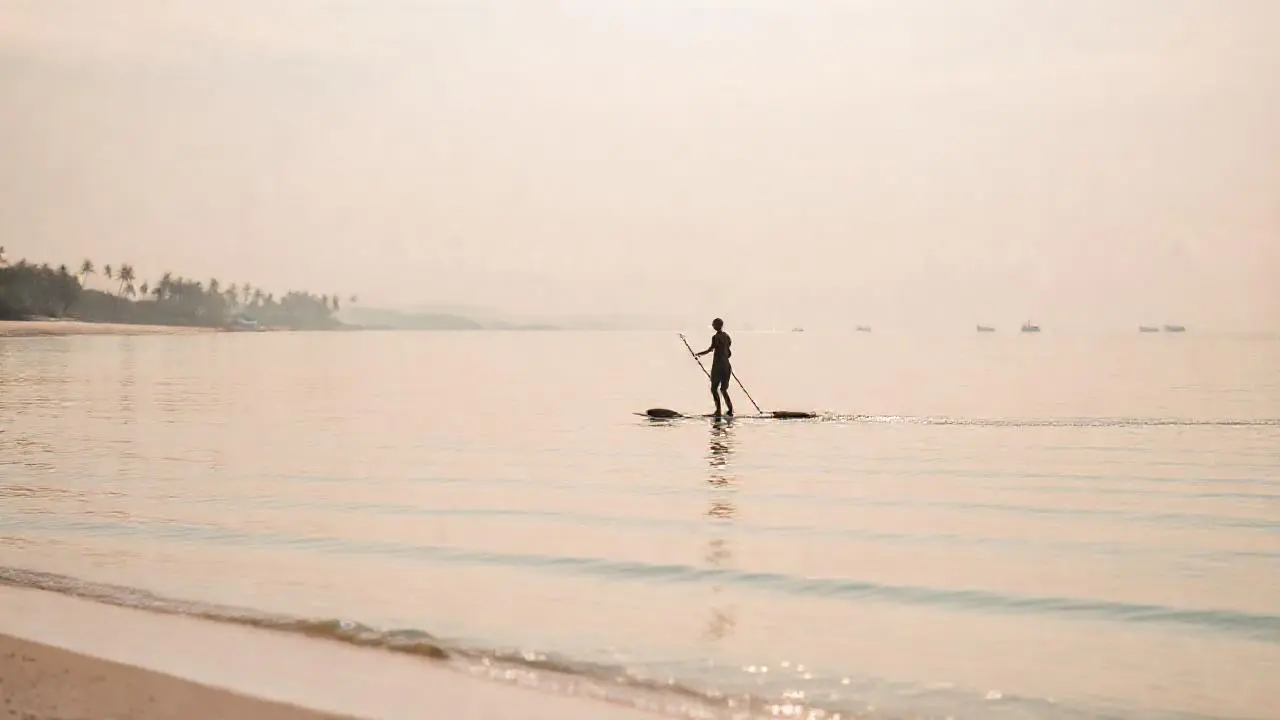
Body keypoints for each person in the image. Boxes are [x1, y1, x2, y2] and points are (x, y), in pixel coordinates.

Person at [696, 318, 734, 416]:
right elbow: (729, 353)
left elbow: (710, 349)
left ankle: (718, 411)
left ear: (717, 326)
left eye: (714, 325)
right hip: (727, 366)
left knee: (714, 389)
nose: (713, 326)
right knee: (723, 389)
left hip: (718, 367)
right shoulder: (727, 337)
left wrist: (699, 354)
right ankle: (730, 410)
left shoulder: (716, 337)